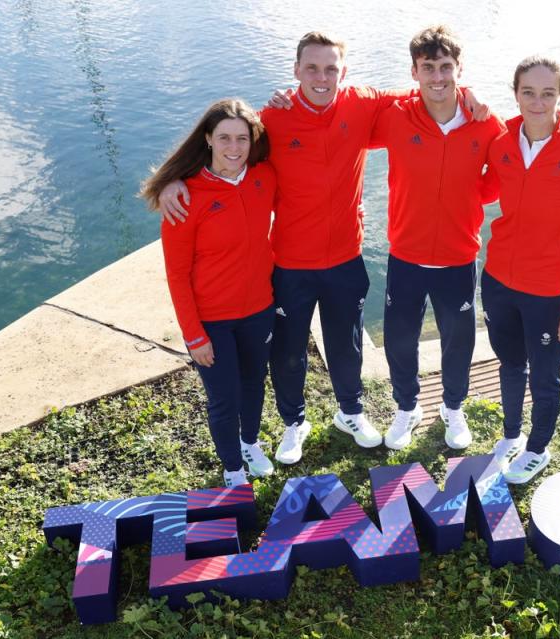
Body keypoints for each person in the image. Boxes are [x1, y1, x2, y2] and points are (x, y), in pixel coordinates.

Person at [158, 32, 489, 465]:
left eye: (330, 68)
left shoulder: (363, 103)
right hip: (291, 263)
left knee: (346, 344)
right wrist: (175, 179)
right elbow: (227, 147)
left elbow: (427, 93)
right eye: (311, 68)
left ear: (343, 72)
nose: (321, 77)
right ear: (295, 71)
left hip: (346, 258)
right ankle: (294, 423)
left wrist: (469, 94)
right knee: (290, 350)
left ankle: (349, 412)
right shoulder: (272, 121)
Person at [369, 25, 503, 451]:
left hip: (458, 257)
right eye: (428, 68)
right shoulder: (394, 116)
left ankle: (453, 407)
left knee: (458, 339)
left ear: (459, 69)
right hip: (406, 255)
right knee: (400, 338)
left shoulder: (486, 124)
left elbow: (498, 178)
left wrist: (465, 199)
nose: (438, 77)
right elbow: (339, 114)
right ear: (414, 71)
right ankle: (407, 408)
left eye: (446, 67)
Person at [482, 56, 560, 484]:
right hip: (498, 279)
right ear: (515, 93)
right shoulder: (501, 143)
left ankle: (537, 448)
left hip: (547, 290)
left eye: (547, 93)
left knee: (545, 376)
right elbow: (481, 185)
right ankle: (512, 435)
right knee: (509, 363)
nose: (537, 103)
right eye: (528, 93)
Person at [141, 98, 277, 488]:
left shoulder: (264, 178)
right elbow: (177, 275)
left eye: (242, 139)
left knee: (254, 382)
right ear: (208, 139)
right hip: (212, 320)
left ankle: (250, 443)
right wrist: (194, 335)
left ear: (253, 141)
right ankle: (233, 468)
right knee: (224, 397)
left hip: (259, 309)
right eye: (224, 139)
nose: (234, 148)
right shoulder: (185, 197)